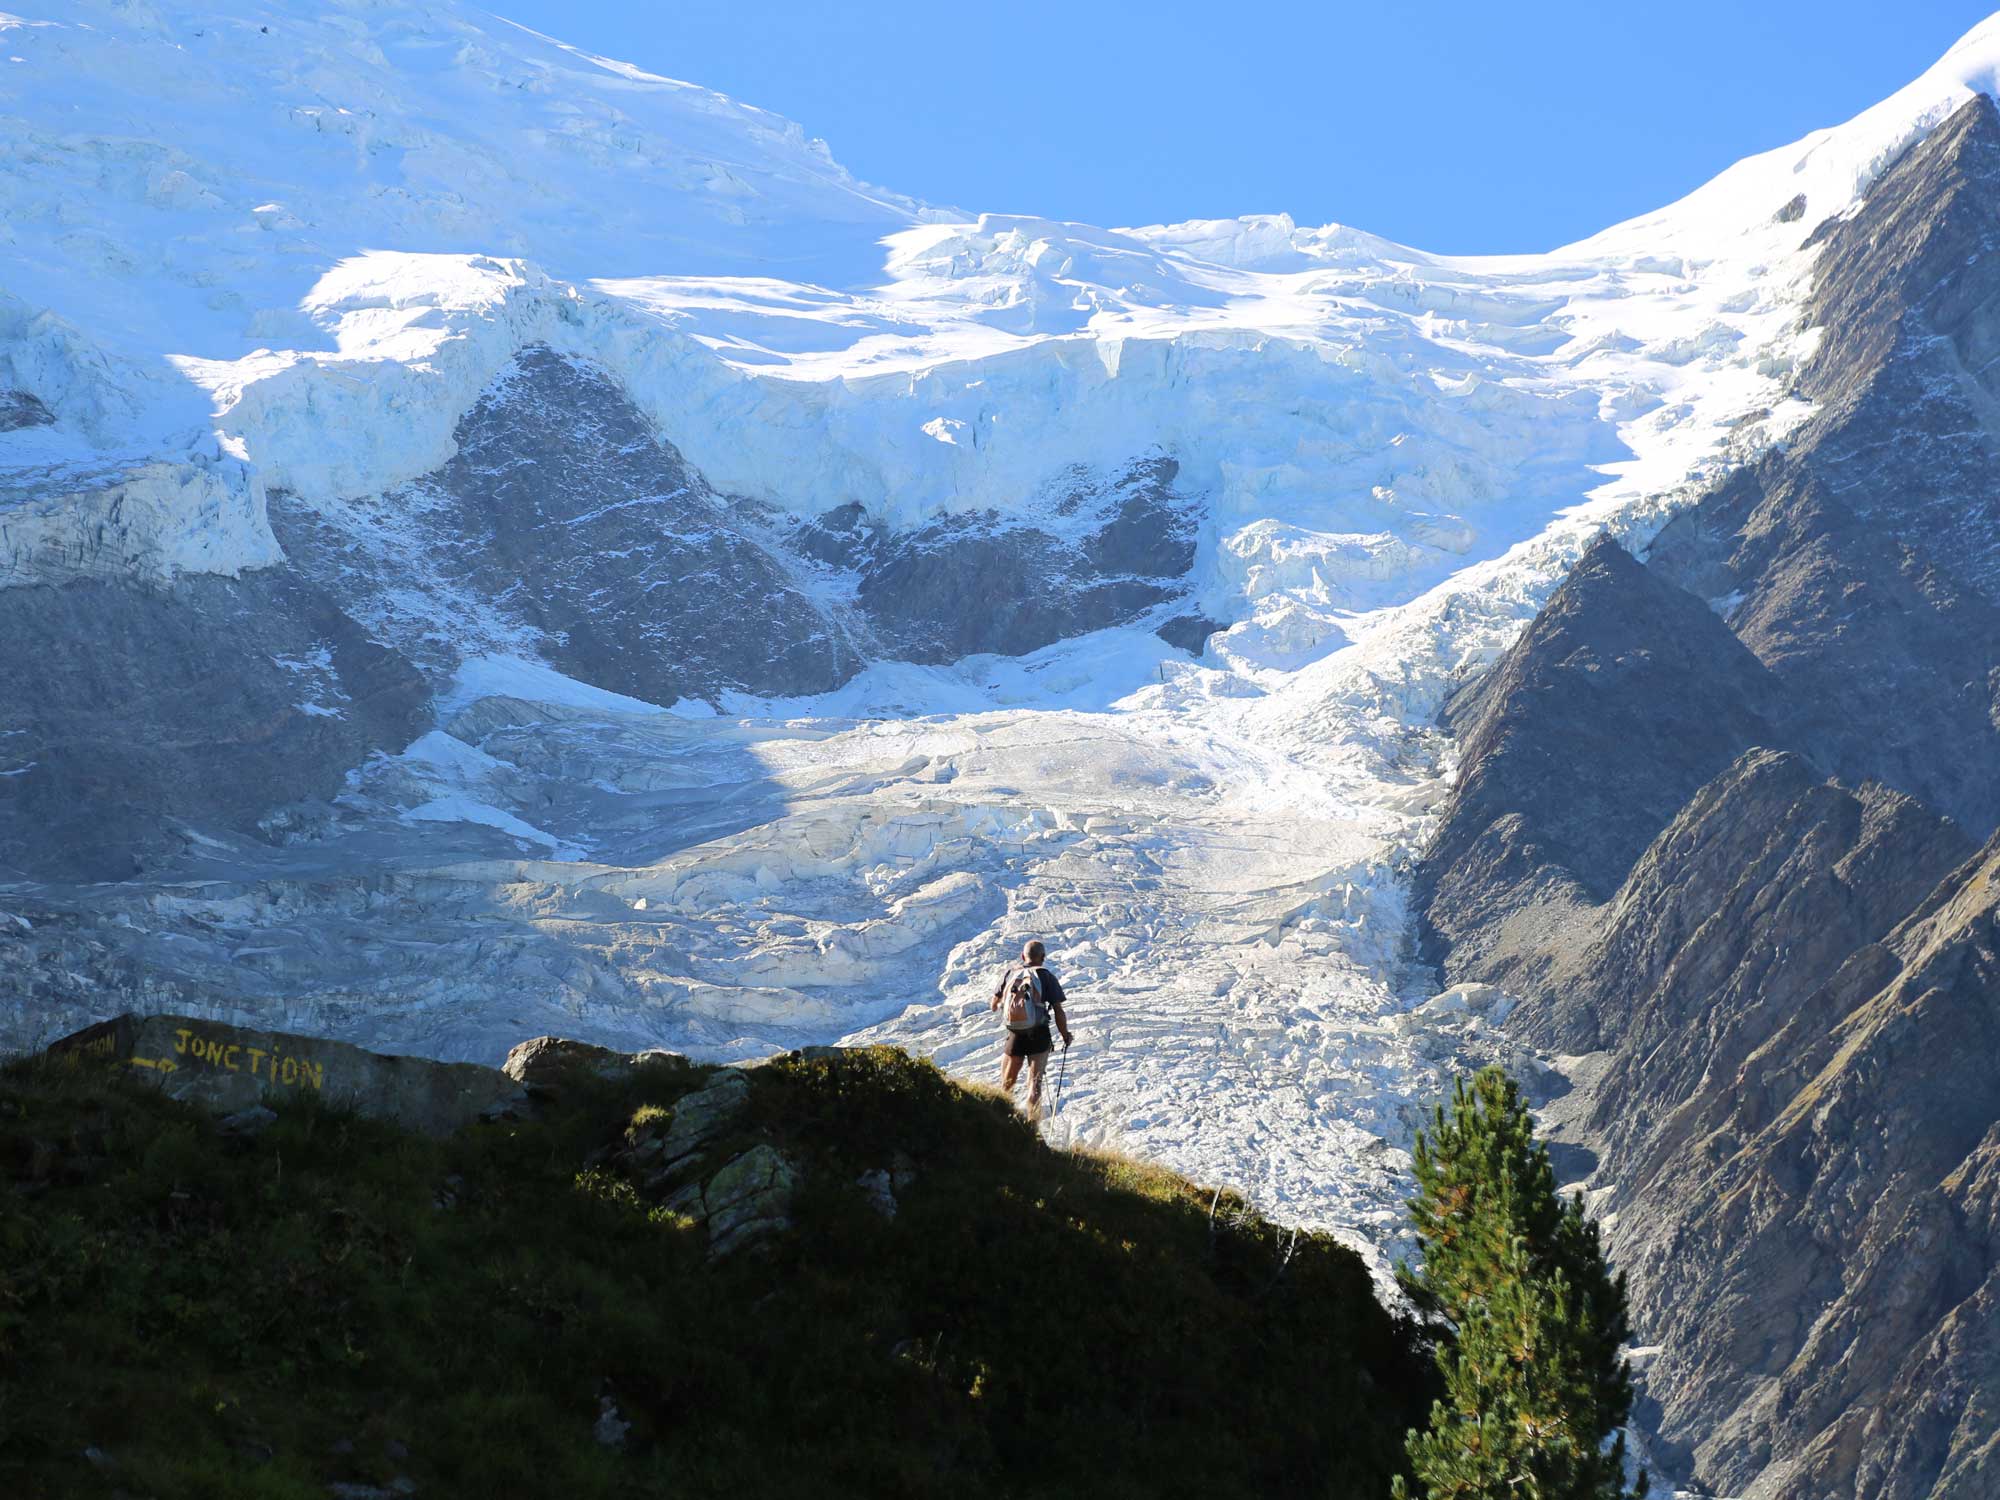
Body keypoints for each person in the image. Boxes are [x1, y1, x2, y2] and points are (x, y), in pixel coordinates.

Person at [988, 939, 1072, 1122]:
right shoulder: (1046, 976)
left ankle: (1000, 1122)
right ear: (1043, 957)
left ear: (1022, 956)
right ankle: (1032, 1128)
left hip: (1015, 1034)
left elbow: (994, 1005)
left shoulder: (1011, 973)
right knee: (1035, 1084)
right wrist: (1065, 1035)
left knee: (1007, 1083)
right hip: (1039, 1034)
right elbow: (1058, 1011)